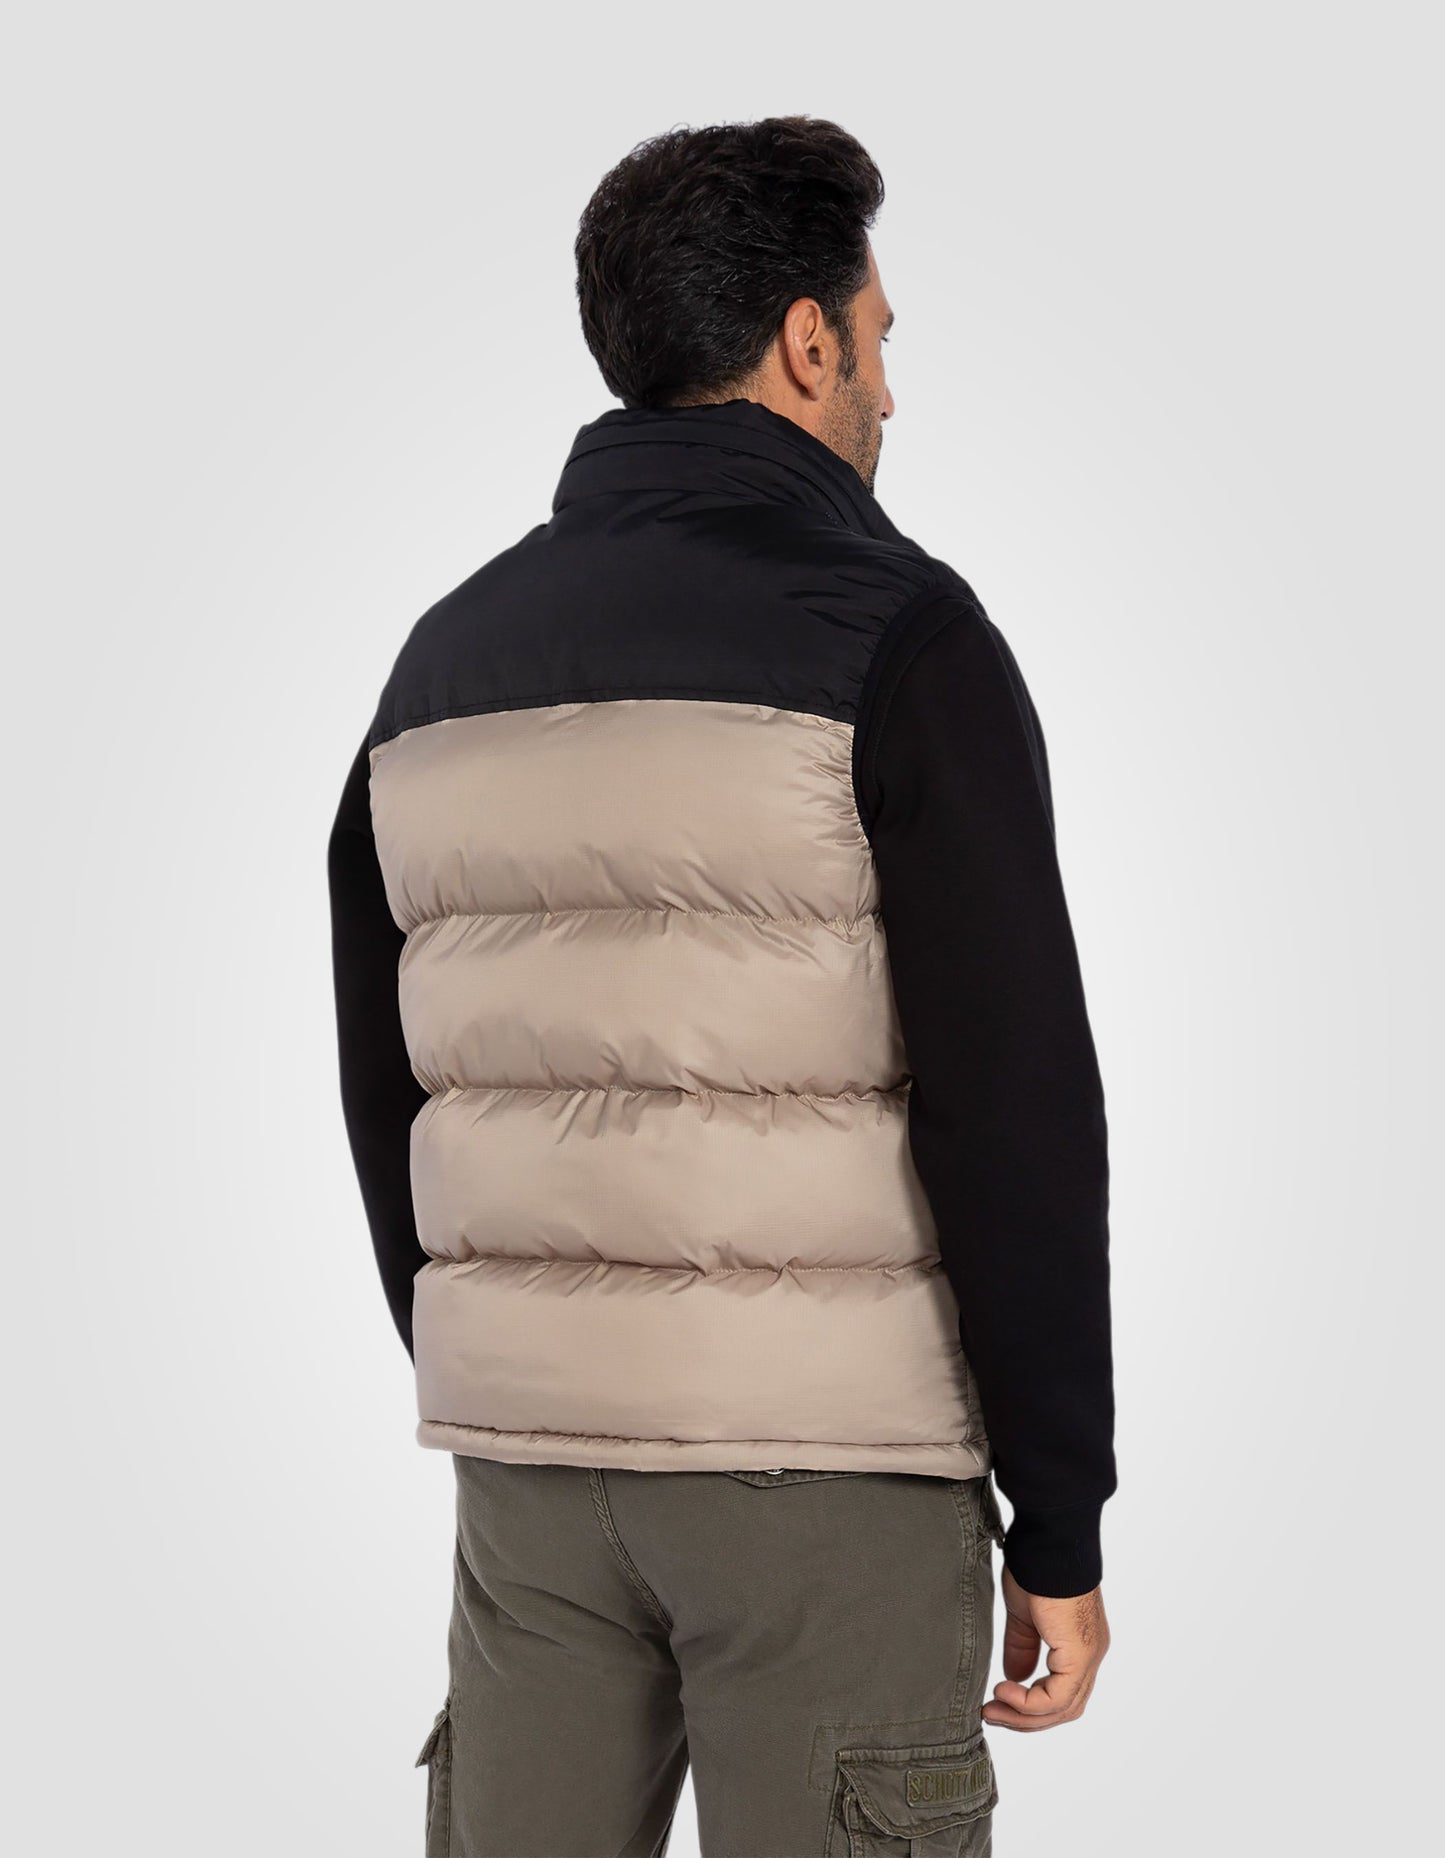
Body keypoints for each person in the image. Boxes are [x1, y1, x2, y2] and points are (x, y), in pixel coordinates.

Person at [328, 113, 1115, 1858]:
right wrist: (1058, 1515)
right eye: (880, 338)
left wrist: (513, 1356)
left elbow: (387, 1079)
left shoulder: (441, 662)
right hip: (827, 1470)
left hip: (533, 1478)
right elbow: (1014, 1105)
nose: (892, 390)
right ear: (805, 341)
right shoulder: (899, 634)